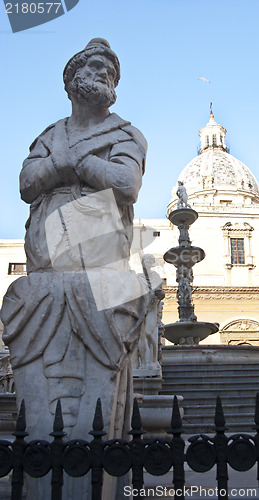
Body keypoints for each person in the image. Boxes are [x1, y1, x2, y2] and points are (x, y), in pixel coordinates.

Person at [1, 39, 147, 500]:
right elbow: (27, 184)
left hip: (98, 247)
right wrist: (79, 168)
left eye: (111, 71)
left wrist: (70, 165)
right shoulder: (49, 134)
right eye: (96, 66)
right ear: (73, 79)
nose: (105, 74)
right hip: (47, 255)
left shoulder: (126, 133)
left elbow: (126, 183)